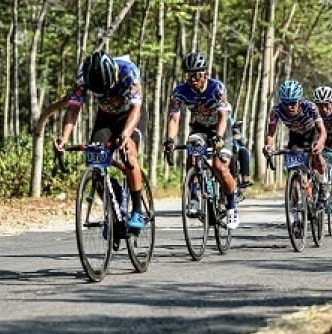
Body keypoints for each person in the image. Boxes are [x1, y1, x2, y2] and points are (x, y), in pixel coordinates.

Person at [54, 51, 146, 230]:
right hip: (106, 118)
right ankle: (114, 206)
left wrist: (126, 135)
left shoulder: (130, 73)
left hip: (131, 116)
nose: (106, 94)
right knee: (95, 161)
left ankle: (137, 210)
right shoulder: (82, 77)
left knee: (128, 153)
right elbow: (73, 109)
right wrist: (64, 139)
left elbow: (136, 110)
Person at [163, 51, 239, 229]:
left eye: (196, 74)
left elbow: (222, 117)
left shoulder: (217, 88)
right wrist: (169, 140)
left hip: (221, 128)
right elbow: (174, 117)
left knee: (220, 166)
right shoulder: (180, 91)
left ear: (206, 74)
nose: (192, 79)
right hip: (200, 128)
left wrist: (219, 138)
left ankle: (232, 206)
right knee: (192, 153)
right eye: (188, 75)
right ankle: (195, 196)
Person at [263, 80, 328, 204]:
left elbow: (322, 131)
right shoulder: (276, 110)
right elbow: (271, 133)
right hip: (295, 136)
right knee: (294, 171)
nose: (289, 107)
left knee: (316, 156)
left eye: (293, 103)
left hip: (312, 133)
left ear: (299, 100)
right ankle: (296, 212)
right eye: (285, 103)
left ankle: (323, 181)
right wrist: (268, 146)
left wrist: (320, 143)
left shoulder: (310, 107)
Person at [229, 114, 254, 188]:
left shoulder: (230, 120)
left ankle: (245, 178)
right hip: (218, 149)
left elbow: (242, 140)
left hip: (234, 147)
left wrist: (237, 137)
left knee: (244, 151)